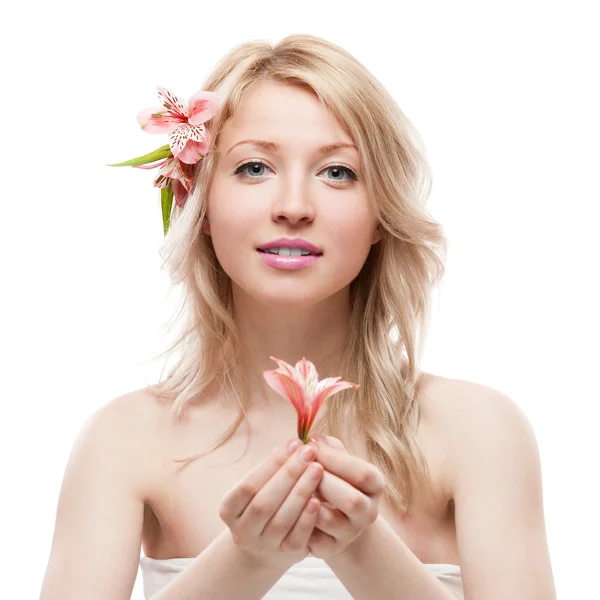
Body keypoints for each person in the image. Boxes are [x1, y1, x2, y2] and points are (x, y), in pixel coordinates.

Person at [39, 34, 556, 600]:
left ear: (382, 214)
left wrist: (362, 549)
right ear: (199, 203)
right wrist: (246, 559)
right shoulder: (125, 440)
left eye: (337, 173)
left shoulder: (480, 432)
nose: (293, 206)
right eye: (254, 167)